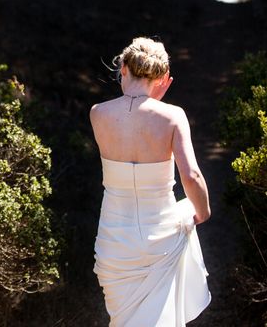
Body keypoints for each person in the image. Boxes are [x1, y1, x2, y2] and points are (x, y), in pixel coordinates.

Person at [91, 37, 211, 326]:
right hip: (160, 236)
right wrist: (203, 212)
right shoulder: (173, 116)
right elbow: (192, 175)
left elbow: (132, 122)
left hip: (115, 242)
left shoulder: (98, 113)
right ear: (162, 77)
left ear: (123, 68)